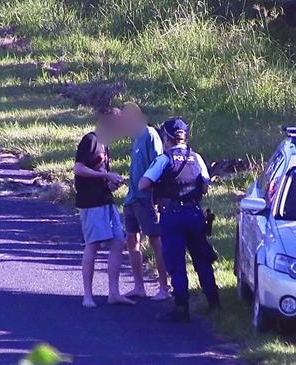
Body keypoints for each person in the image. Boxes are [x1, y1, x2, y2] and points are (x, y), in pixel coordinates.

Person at [138, 118, 220, 323]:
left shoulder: (164, 160)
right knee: (202, 258)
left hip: (172, 215)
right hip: (194, 214)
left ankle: (181, 307)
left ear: (166, 137)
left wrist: (163, 188)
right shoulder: (197, 157)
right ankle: (214, 302)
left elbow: (143, 184)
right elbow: (204, 186)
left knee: (176, 262)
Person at [73, 107, 134, 308]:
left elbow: (97, 171)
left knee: (118, 241)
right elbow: (79, 168)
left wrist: (109, 182)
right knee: (93, 244)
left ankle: (114, 293)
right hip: (90, 202)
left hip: (105, 198)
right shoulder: (90, 140)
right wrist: (106, 176)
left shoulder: (105, 144)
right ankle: (87, 296)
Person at [121, 102, 170, 301]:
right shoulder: (136, 139)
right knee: (131, 240)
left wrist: (154, 196)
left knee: (155, 242)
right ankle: (139, 286)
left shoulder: (150, 135)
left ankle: (164, 288)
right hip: (132, 198)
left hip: (147, 200)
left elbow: (158, 165)